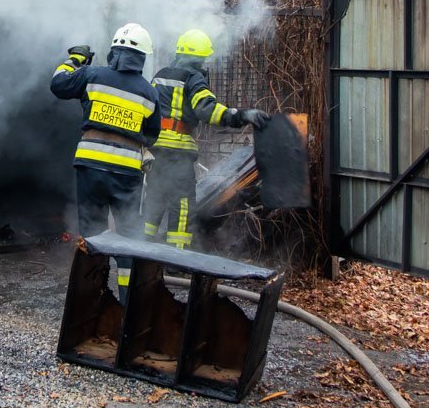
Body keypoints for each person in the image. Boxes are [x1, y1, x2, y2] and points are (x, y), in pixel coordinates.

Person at [51, 22, 160, 302]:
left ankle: (94, 299)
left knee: (92, 235)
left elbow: (58, 83)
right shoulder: (149, 93)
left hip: (90, 169)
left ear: (114, 51)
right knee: (127, 236)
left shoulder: (91, 74)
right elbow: (151, 134)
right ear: (142, 58)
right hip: (126, 174)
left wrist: (75, 58)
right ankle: (126, 301)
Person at [143, 29, 269, 250]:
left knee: (154, 199)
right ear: (198, 58)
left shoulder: (160, 75)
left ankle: (140, 251)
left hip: (155, 151)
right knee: (181, 205)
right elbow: (207, 111)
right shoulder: (193, 78)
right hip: (177, 154)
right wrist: (241, 115)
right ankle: (175, 256)